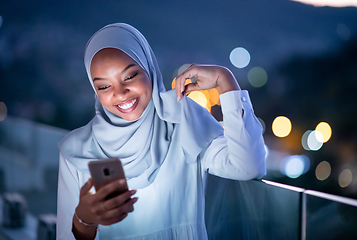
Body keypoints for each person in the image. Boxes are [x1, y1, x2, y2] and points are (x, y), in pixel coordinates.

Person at [56, 23, 266, 240]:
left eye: (130, 76)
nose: (120, 93)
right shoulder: (79, 149)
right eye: (103, 86)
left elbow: (249, 166)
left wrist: (225, 80)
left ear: (149, 68)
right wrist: (83, 220)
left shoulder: (183, 119)